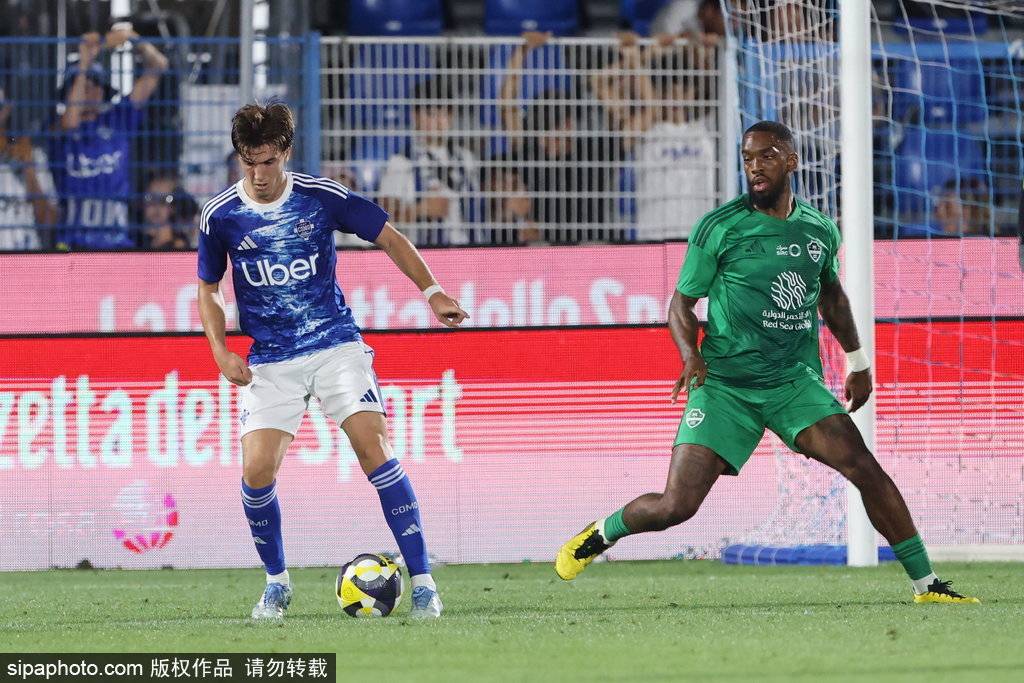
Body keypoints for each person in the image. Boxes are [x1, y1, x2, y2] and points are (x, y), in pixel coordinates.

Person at [555, 121, 979, 605]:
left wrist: (858, 361)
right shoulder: (720, 227)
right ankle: (601, 534)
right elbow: (680, 304)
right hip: (725, 385)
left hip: (791, 384)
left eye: (766, 156)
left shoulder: (819, 229)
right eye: (748, 158)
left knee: (864, 467)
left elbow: (832, 297)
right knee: (676, 506)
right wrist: (691, 355)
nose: (755, 166)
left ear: (791, 161)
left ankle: (928, 585)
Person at [197, 101, 467, 621]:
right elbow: (208, 287)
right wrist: (220, 350)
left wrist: (432, 291)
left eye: (268, 162)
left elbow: (389, 235)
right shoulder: (220, 215)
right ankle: (276, 583)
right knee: (256, 471)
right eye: (249, 163)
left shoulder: (320, 197)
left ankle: (424, 584)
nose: (259, 174)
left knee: (374, 448)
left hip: (334, 346)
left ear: (285, 153)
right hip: (271, 359)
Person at [48, 27, 167, 250]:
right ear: (69, 92)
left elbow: (158, 66)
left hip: (117, 243)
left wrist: (133, 38)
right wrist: (84, 63)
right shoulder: (58, 128)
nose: (90, 89)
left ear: (104, 90)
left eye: (96, 84)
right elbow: (70, 122)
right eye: (82, 84)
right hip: (73, 245)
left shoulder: (118, 118)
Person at [591, 35, 716, 239]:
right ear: (657, 95)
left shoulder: (707, 130)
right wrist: (639, 57)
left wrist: (691, 44)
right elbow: (598, 81)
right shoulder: (645, 130)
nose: (675, 99)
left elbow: (712, 78)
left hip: (699, 238)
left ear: (692, 95)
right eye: (668, 92)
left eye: (682, 92)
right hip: (653, 235)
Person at [500, 32, 613, 240]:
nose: (564, 128)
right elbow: (507, 106)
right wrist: (522, 51)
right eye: (553, 124)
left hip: (588, 245)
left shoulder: (591, 152)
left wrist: (600, 84)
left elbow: (620, 123)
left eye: (565, 121)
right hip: (543, 244)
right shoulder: (528, 151)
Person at [378, 76, 479, 245]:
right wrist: (421, 209)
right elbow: (383, 220)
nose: (437, 120)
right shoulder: (401, 162)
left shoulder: (466, 158)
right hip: (421, 252)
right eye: (430, 113)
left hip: (468, 251)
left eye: (443, 113)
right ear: (415, 115)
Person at [0, 96, 57, 250]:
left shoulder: (33, 155)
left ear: (7, 109)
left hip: (26, 258)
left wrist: (29, 170)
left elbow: (48, 220)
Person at [139, 173, 197, 250]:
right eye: (151, 198)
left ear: (173, 207)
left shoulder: (179, 243)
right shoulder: (134, 238)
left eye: (164, 200)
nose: (157, 207)